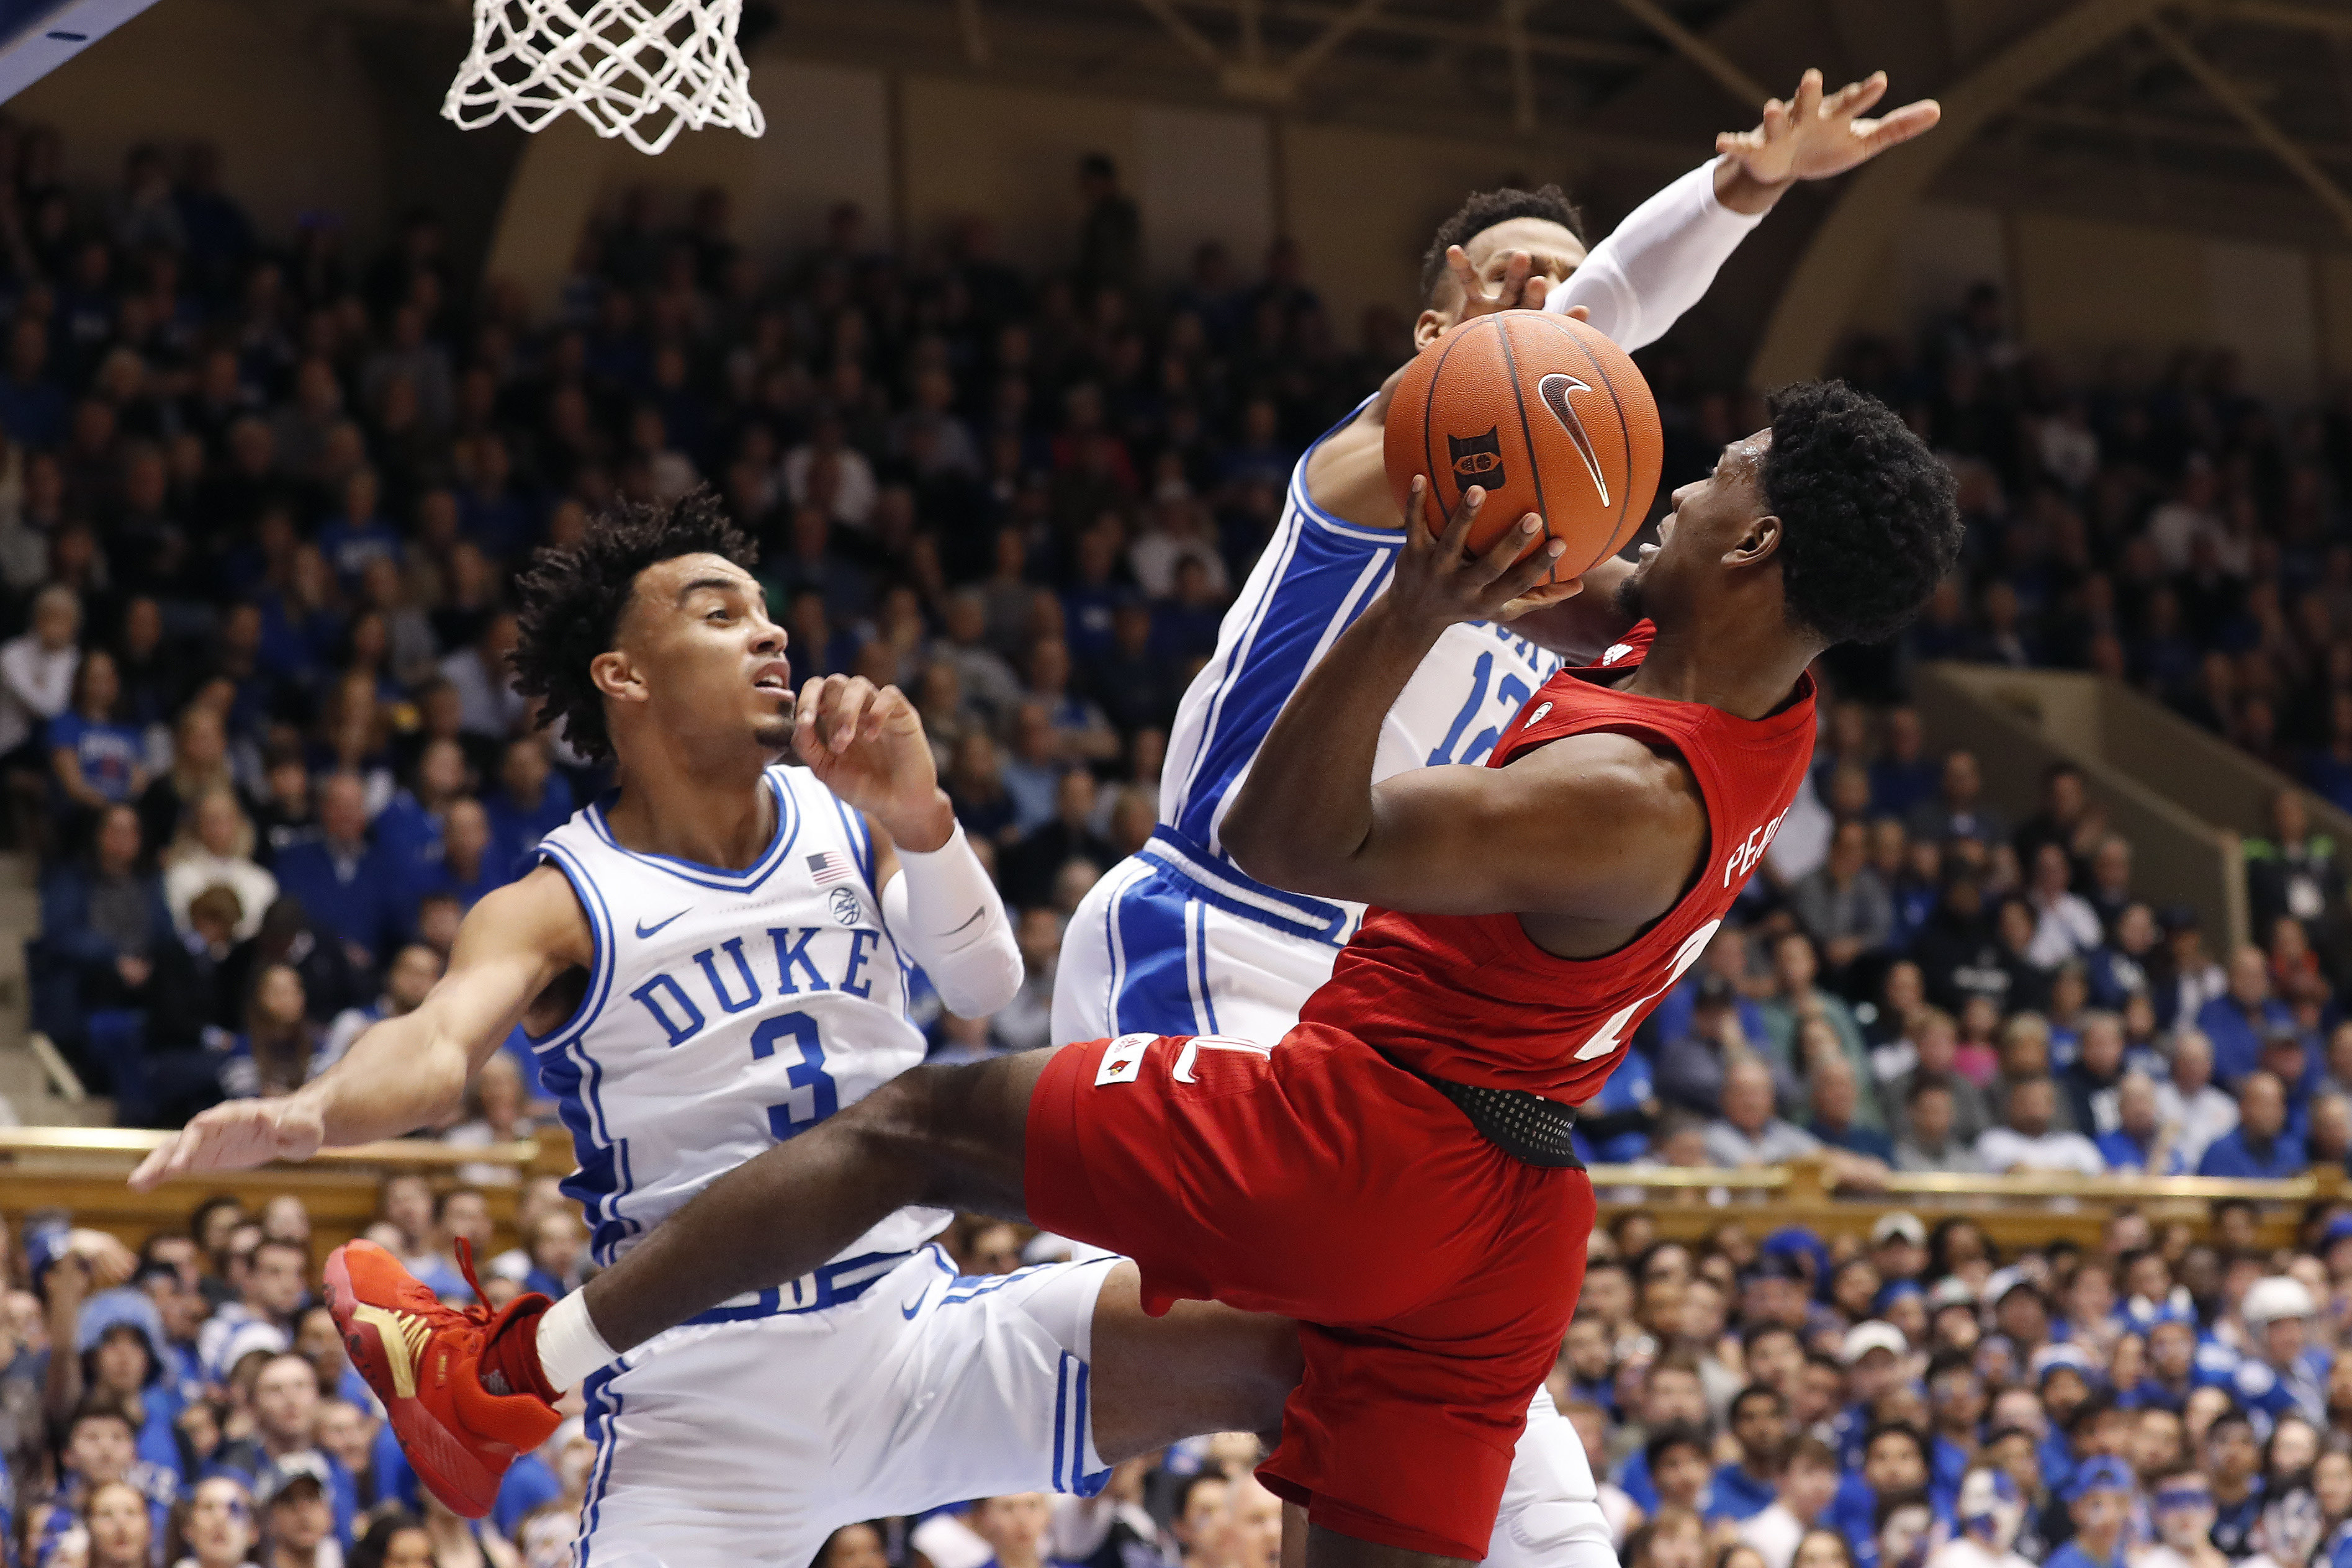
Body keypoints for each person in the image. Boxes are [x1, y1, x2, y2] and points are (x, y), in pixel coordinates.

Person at [311, 374, 1955, 1568]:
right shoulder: (1740, 688)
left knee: (918, 1118)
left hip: (1364, 1135)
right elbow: (1572, 563)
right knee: (1303, 1385)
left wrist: (1398, 611)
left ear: (1754, 548)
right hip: (1505, 1222)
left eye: (1716, 480)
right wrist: (1451, 414)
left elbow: (1293, 829)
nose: (1677, 492)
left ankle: (507, 1370)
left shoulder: (1621, 794)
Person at [120, 497, 1339, 1568]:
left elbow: (980, 981)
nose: (769, 633)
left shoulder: (844, 811)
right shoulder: (557, 903)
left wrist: (919, 817)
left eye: (768, 612)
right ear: (623, 675)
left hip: (919, 1327)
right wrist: (313, 1111)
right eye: (718, 614)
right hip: (702, 1390)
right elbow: (437, 1049)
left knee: (1308, 1350)